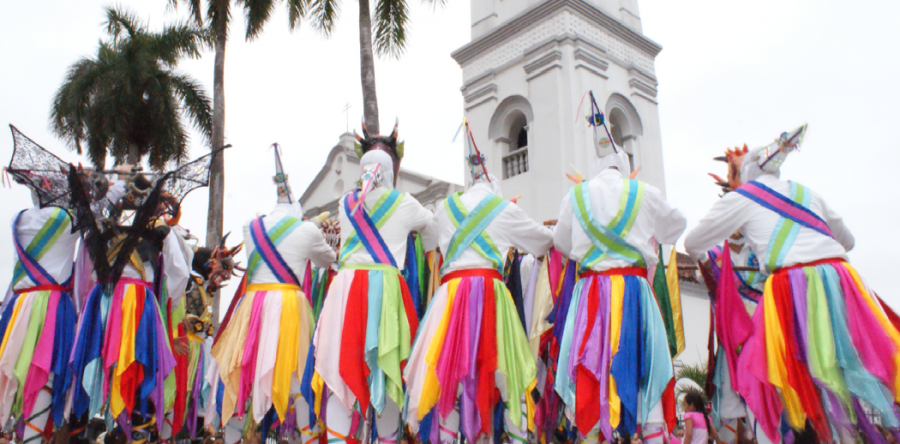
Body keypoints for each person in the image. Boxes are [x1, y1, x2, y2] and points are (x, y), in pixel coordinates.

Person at [684, 124, 900, 443]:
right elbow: (848, 241)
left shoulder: (742, 197)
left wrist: (714, 272)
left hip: (791, 285)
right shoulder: (807, 192)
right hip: (841, 279)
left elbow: (693, 241)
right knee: (840, 371)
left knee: (779, 375)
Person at [406, 119, 554, 443]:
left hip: (449, 297)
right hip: (490, 295)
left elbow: (427, 243)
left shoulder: (445, 208)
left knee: (447, 381)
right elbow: (543, 242)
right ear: (492, 181)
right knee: (509, 378)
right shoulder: (504, 209)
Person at [552, 99, 686, 443]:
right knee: (649, 374)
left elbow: (562, 243)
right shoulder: (647, 192)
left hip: (592, 294)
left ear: (596, 164)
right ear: (624, 165)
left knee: (591, 375)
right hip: (635, 293)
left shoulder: (575, 196)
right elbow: (676, 226)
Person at [313, 123, 433, 444]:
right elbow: (432, 231)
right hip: (386, 292)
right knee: (388, 369)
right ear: (391, 170)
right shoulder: (406, 203)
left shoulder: (345, 202)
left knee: (342, 371)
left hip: (346, 291)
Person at [211, 145, 336, 444]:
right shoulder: (307, 231)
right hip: (289, 307)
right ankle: (304, 435)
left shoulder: (250, 227)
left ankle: (232, 436)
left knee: (243, 375)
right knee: (297, 379)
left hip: (252, 305)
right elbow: (327, 260)